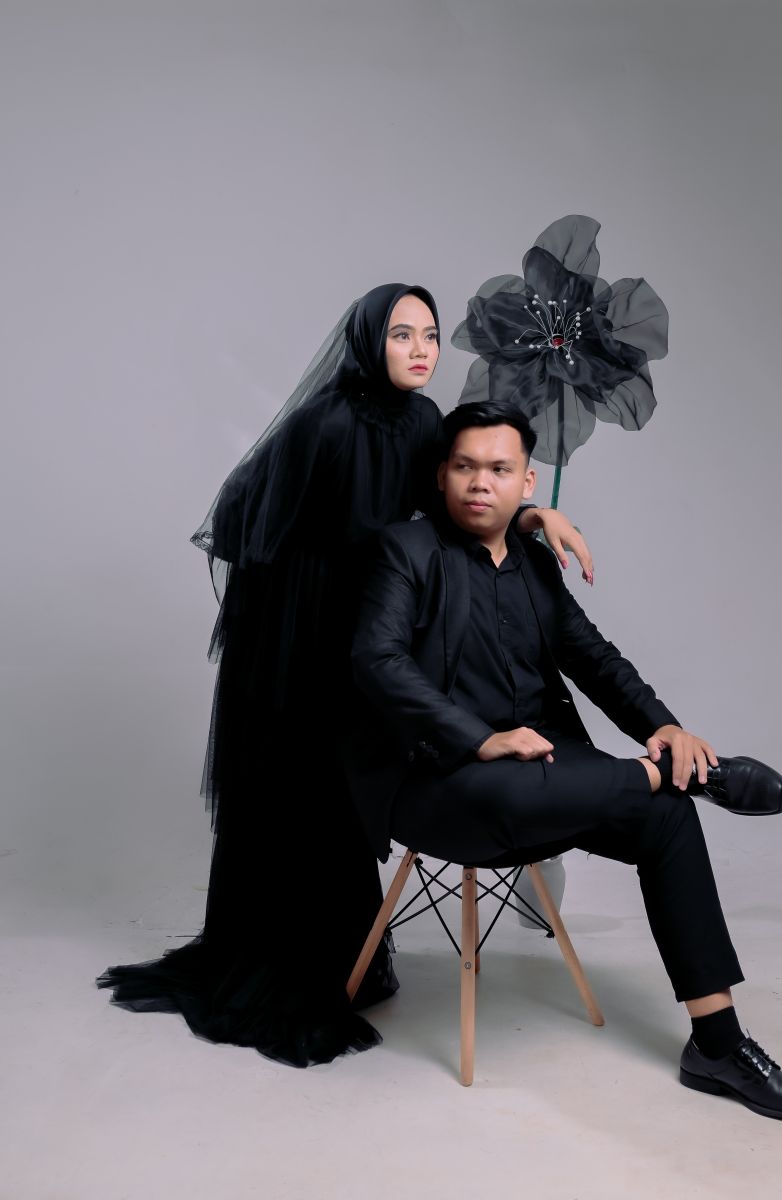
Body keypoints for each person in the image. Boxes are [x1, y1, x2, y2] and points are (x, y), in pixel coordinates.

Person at [97, 286, 593, 1067]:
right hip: (304, 646)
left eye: (429, 335)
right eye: (401, 335)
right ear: (369, 341)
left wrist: (531, 515)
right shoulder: (320, 423)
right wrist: (315, 585)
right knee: (301, 796)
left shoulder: (425, 422)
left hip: (375, 638)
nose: (420, 350)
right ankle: (288, 968)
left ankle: (344, 961)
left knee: (345, 800)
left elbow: (460, 500)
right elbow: (242, 521)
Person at [345, 399, 782, 1123]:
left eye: (499, 469)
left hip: (555, 778)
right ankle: (679, 777)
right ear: (441, 474)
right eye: (464, 467)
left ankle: (717, 1045)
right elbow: (377, 660)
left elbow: (594, 659)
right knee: (525, 790)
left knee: (666, 817)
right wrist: (480, 738)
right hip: (440, 783)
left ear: (527, 481)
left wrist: (665, 728)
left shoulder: (534, 562)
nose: (480, 483)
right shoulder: (405, 550)